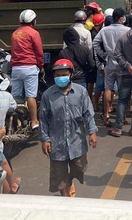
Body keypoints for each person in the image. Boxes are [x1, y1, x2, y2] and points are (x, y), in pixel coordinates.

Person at [39, 59, 98, 197]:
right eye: (57, 75)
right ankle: (66, 196)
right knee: (59, 176)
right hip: (57, 144)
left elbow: (88, 114)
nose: (61, 78)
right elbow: (43, 119)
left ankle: (69, 184)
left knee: (78, 169)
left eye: (64, 74)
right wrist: (45, 140)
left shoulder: (81, 92)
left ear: (71, 74)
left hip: (76, 143)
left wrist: (92, 132)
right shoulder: (48, 95)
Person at [92, 8, 129, 127]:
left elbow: (95, 43)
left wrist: (104, 54)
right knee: (123, 91)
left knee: (108, 88)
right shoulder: (127, 30)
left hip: (109, 63)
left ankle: (106, 114)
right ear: (121, 18)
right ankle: (123, 117)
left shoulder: (104, 30)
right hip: (123, 64)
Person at [10, 9, 44, 130]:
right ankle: (34, 121)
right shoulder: (33, 33)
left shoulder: (15, 33)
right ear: (33, 21)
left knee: (16, 96)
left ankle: (13, 122)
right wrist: (41, 66)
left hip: (16, 68)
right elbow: (39, 52)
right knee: (31, 96)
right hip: (29, 67)